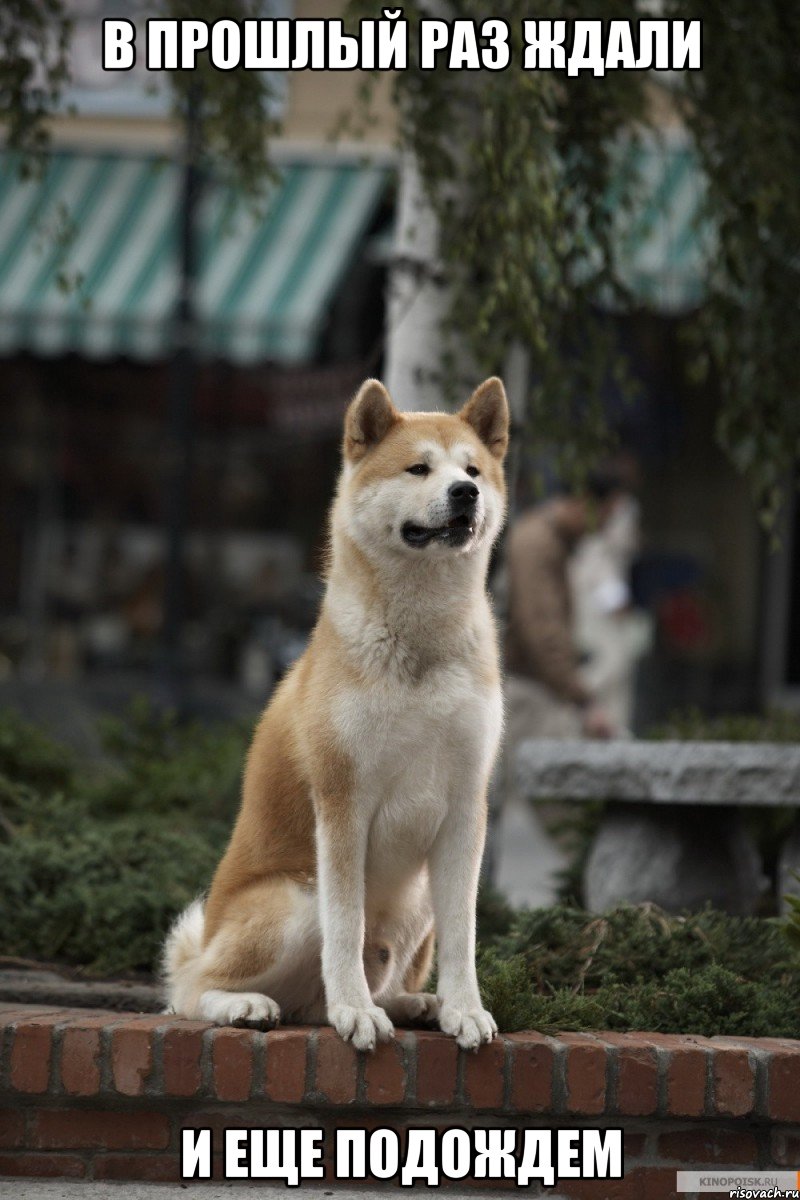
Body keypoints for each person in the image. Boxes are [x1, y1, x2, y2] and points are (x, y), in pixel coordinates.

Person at [504, 470, 627, 743]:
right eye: (606, 515)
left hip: (537, 687)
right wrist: (583, 701)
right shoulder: (538, 544)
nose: (605, 527)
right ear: (586, 502)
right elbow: (542, 630)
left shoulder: (551, 541)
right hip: (527, 691)